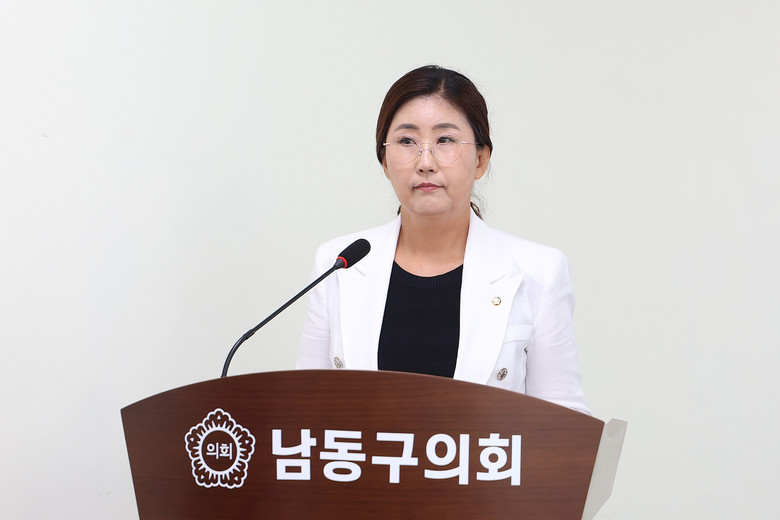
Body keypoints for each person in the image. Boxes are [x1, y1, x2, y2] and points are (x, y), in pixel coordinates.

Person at [297, 65, 589, 414]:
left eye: (445, 140)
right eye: (407, 141)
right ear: (385, 162)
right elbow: (305, 412)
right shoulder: (339, 264)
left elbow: (564, 426)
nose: (425, 162)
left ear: (480, 159)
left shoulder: (538, 271)